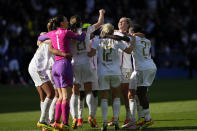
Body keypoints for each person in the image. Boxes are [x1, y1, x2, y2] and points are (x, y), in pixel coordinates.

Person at [38, 15, 86, 130]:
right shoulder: (66, 32)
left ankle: (56, 122)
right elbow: (80, 38)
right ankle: (64, 123)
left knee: (59, 96)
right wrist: (84, 32)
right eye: (65, 21)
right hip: (65, 64)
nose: (67, 23)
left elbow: (40, 38)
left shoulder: (52, 33)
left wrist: (45, 40)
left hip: (55, 66)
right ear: (61, 24)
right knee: (66, 97)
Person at [88, 23, 136, 131]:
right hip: (115, 72)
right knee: (116, 97)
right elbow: (128, 51)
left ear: (103, 31)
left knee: (104, 98)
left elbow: (90, 54)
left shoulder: (97, 42)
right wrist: (133, 43)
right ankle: (116, 123)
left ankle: (104, 123)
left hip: (102, 72)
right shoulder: (117, 42)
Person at [69, 9, 105, 129]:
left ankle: (74, 118)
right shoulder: (87, 29)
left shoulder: (69, 33)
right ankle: (91, 116)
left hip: (74, 63)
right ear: (81, 23)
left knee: (75, 92)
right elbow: (100, 23)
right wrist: (101, 13)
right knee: (89, 90)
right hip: (86, 62)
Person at [127, 24, 157, 129]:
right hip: (151, 66)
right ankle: (144, 119)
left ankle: (147, 119)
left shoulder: (133, 37)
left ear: (133, 32)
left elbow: (125, 37)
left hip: (142, 68)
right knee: (140, 93)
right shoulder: (147, 40)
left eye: (130, 31)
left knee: (141, 93)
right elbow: (142, 35)